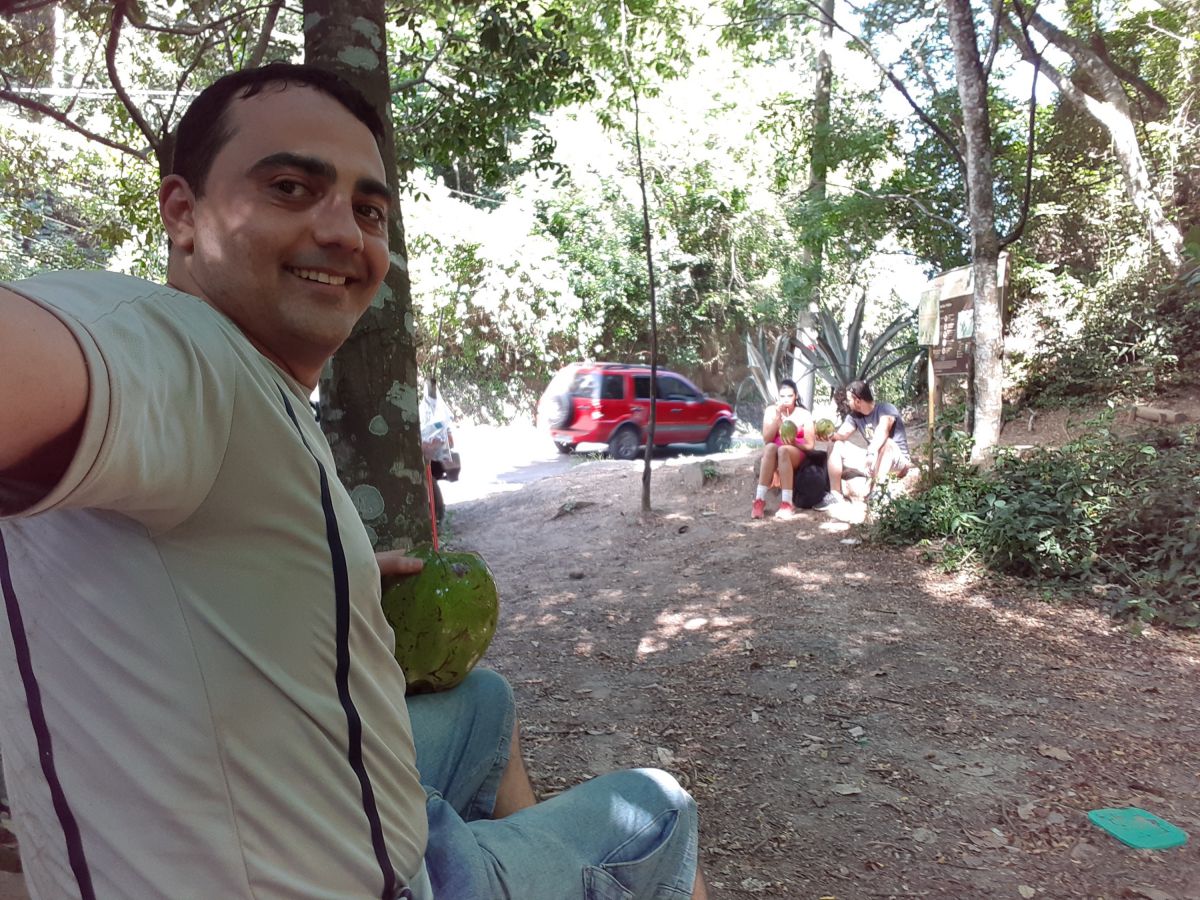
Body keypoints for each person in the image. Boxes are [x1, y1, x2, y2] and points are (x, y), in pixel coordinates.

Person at [0, 63, 705, 900]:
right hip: (358, 878)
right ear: (183, 213)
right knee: (659, 809)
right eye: (291, 187)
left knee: (482, 704)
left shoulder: (251, 391)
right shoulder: (171, 348)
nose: (345, 233)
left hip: (296, 808)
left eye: (369, 210)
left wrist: (331, 588)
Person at [819, 379, 911, 507]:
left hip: (896, 460)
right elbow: (842, 435)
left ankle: (878, 493)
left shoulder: (886, 408)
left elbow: (883, 430)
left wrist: (871, 453)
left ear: (857, 400)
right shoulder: (854, 416)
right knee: (835, 445)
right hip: (873, 461)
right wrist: (829, 435)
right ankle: (835, 494)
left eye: (849, 399)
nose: (847, 403)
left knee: (887, 443)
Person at [750, 378, 815, 520]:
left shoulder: (804, 414)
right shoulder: (771, 411)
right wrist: (777, 419)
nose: (786, 399)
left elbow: (810, 445)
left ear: (796, 396)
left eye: (790, 396)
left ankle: (787, 503)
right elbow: (767, 439)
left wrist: (794, 443)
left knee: (783, 450)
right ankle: (759, 500)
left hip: (796, 451)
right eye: (782, 396)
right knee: (770, 447)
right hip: (775, 451)